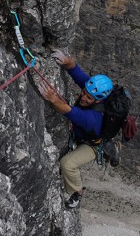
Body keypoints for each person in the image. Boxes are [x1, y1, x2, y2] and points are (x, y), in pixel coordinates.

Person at [35, 50, 113, 210]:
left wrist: (52, 98)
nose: (83, 97)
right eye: (83, 93)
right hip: (83, 134)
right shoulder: (93, 91)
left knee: (67, 163)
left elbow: (67, 110)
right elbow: (76, 72)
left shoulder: (93, 118)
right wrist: (65, 61)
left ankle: (76, 193)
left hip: (93, 145)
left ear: (98, 100)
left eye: (88, 98)